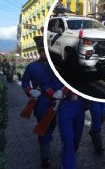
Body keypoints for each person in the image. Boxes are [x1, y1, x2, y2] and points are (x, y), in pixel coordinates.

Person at [21, 36, 60, 167]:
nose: (45, 53)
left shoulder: (56, 66)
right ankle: (45, 156)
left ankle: (46, 140)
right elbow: (25, 81)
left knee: (52, 124)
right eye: (43, 51)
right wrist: (29, 91)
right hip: (41, 100)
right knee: (44, 126)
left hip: (57, 100)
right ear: (39, 52)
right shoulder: (31, 67)